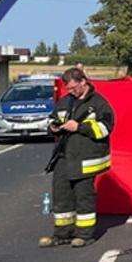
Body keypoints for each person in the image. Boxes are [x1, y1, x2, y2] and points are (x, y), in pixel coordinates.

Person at [41, 67, 114, 248]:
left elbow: (105, 128)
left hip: (86, 158)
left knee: (83, 197)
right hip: (64, 157)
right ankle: (62, 234)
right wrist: (53, 127)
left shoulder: (99, 104)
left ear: (83, 82)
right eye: (68, 89)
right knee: (61, 196)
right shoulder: (65, 101)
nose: (71, 92)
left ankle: (84, 235)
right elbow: (51, 119)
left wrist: (80, 127)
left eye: (74, 88)